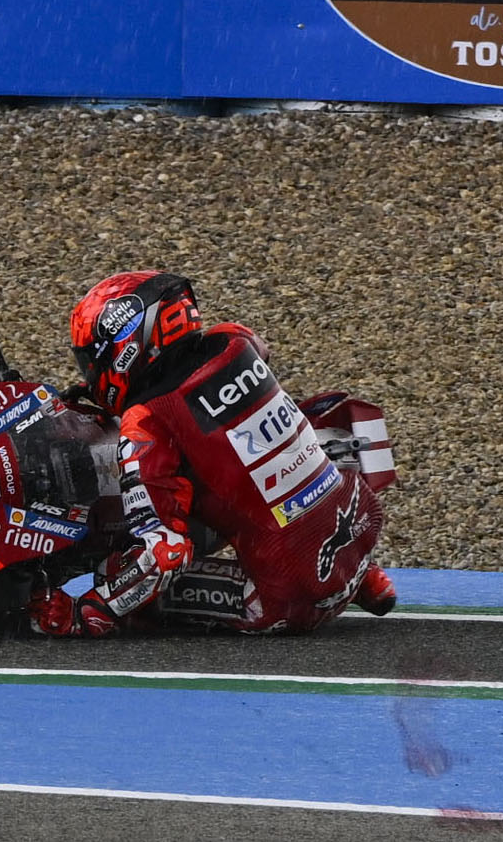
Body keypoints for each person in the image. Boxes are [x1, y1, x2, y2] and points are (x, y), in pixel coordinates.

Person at [30, 270, 395, 638]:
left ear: (123, 347)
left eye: (92, 362)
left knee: (120, 566)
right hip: (360, 528)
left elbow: (166, 553)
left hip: (289, 599)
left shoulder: (148, 420)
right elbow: (238, 365)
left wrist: (89, 609)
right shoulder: (234, 340)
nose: (91, 374)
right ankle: (366, 579)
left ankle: (91, 617)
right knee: (265, 456)